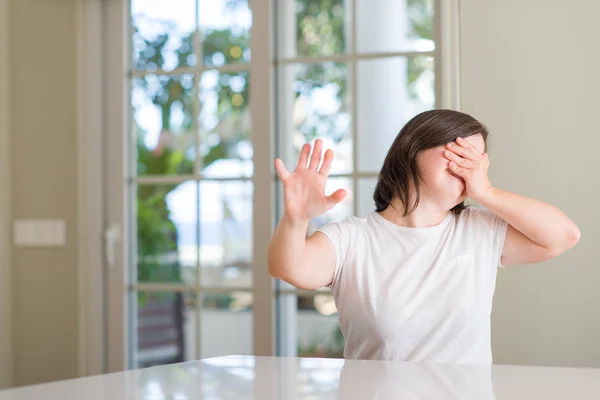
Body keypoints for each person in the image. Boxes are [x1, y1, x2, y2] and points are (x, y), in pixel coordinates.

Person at [268, 109, 580, 364]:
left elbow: (564, 236)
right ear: (413, 149)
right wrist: (297, 219)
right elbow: (289, 268)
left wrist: (486, 191)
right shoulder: (353, 238)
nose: (468, 164)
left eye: (478, 158)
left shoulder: (479, 229)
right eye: (460, 149)